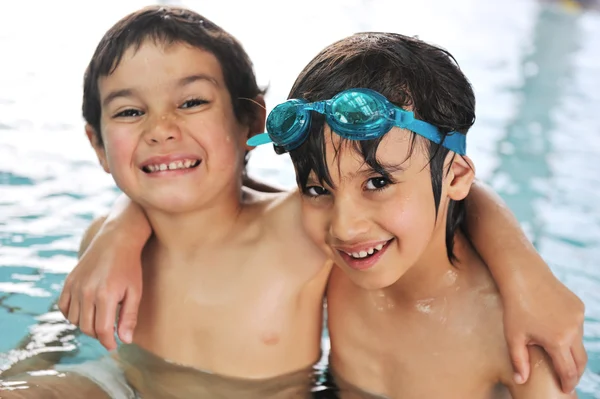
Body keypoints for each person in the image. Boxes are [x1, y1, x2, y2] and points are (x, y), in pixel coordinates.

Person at [5, 5, 585, 399]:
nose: (345, 220)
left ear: (248, 123)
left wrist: (529, 276)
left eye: (190, 103)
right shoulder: (325, 235)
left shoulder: (312, 238)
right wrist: (121, 229)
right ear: (98, 144)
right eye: (131, 113)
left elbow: (444, 190)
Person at [249, 31, 583, 397]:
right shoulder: (325, 263)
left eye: (377, 183)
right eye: (318, 189)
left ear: (456, 176)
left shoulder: (517, 340)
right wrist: (526, 273)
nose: (345, 227)